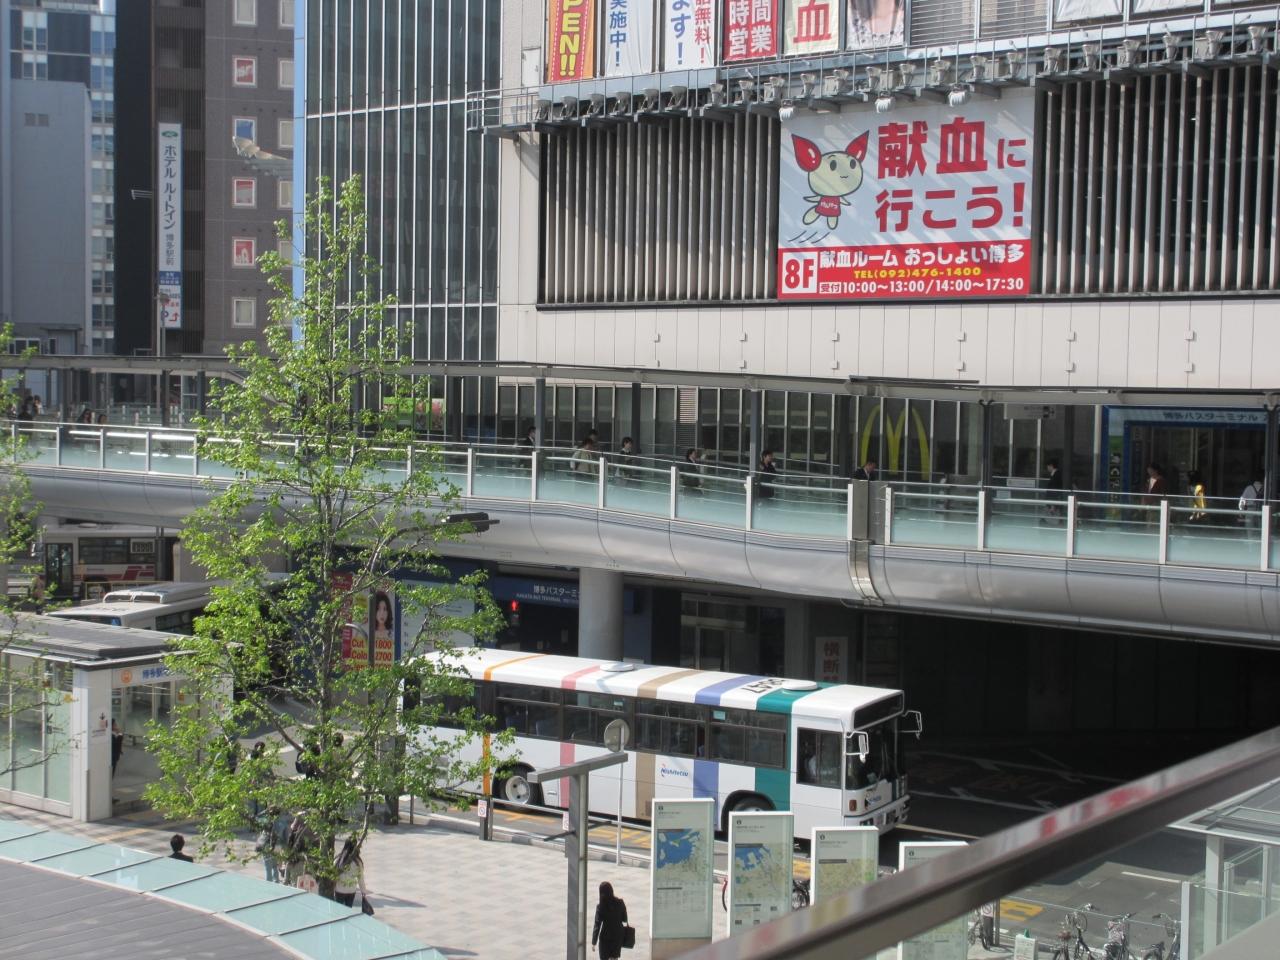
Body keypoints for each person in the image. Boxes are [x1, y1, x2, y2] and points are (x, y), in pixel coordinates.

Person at [591, 881, 629, 960]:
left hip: (605, 938)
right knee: (614, 958)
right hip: (618, 936)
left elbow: (597, 925)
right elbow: (624, 919)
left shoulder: (600, 907)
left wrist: (594, 942)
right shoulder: (620, 903)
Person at [333, 837, 369, 909]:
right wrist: (363, 892)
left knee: (338, 911)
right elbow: (361, 878)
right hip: (351, 890)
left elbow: (333, 875)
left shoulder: (338, 859)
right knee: (348, 910)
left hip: (339, 889)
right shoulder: (358, 862)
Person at [258, 806, 291, 883]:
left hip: (266, 845)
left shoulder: (265, 821)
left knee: (268, 868)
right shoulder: (283, 822)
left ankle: (269, 883)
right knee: (275, 866)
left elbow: (257, 817)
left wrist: (265, 811)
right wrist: (285, 848)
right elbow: (286, 838)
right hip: (277, 846)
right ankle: (276, 881)